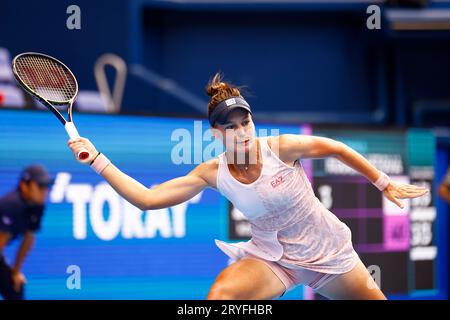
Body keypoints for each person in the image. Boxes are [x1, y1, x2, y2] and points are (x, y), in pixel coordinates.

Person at [68, 73, 428, 300]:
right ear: (216, 133)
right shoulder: (212, 172)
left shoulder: (281, 148)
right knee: (220, 298)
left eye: (246, 122)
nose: (242, 132)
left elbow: (336, 147)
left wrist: (382, 183)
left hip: (332, 256)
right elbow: (147, 199)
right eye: (231, 127)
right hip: (274, 260)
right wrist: (98, 159)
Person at [0, 164, 52, 300]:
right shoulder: (12, 205)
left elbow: (28, 239)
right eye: (40, 186)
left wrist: (15, 272)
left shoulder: (37, 207)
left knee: (15, 287)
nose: (44, 191)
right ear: (24, 186)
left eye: (46, 187)